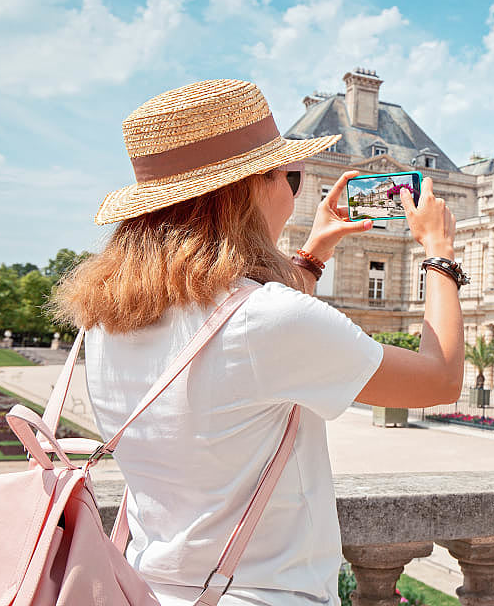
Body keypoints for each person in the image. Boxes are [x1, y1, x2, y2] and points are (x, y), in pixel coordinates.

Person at [52, 79, 465, 606]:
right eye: (289, 177)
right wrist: (440, 252)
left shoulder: (106, 322)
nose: (293, 194)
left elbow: (237, 328)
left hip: (144, 589)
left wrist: (314, 251)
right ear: (251, 189)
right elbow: (441, 377)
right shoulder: (268, 323)